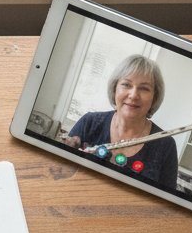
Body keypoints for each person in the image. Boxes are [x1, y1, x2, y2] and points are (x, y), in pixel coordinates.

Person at [64, 54, 179, 192]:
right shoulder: (89, 123)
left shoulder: (165, 145)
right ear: (114, 89)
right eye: (126, 85)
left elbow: (167, 204)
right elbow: (61, 174)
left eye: (144, 88)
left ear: (154, 97)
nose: (133, 95)